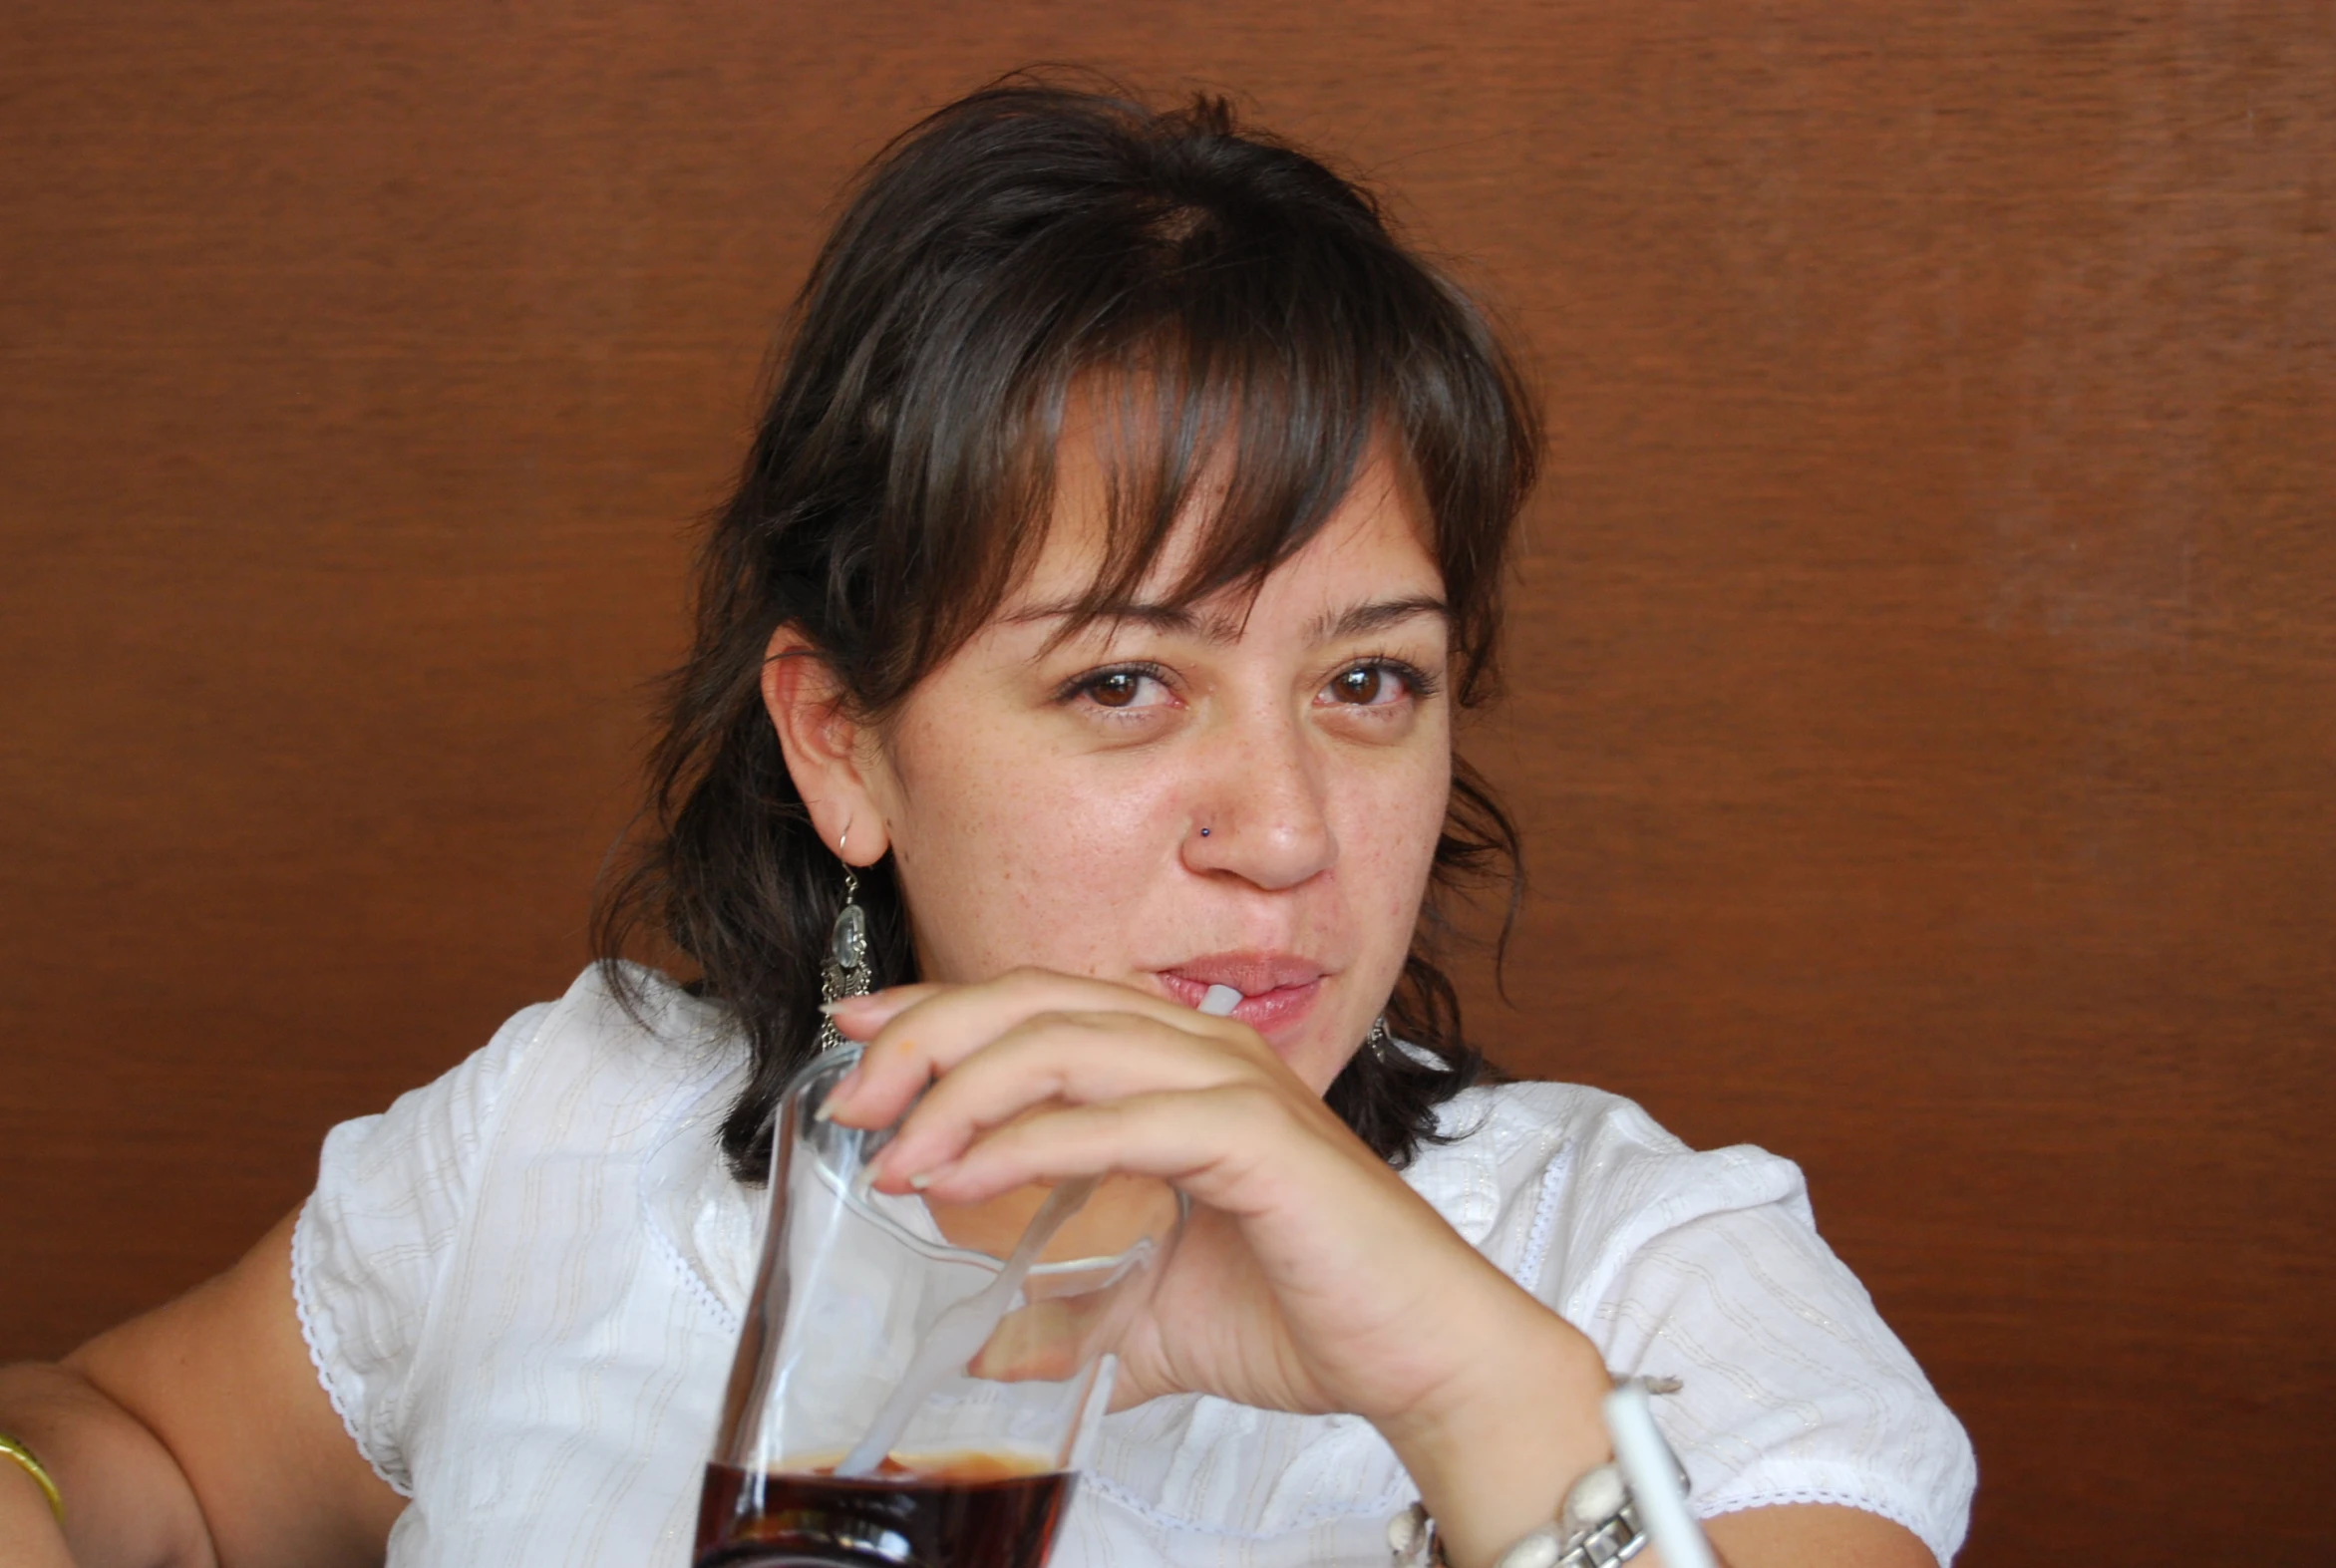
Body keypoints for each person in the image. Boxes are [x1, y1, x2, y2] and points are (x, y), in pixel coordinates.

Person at [0, 82, 1974, 1568]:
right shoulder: (563, 1131)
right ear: (842, 746)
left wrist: (1467, 1383)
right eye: (1125, 681)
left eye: (1368, 682)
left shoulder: (1641, 1266)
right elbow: (133, 1450)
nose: (1286, 832)